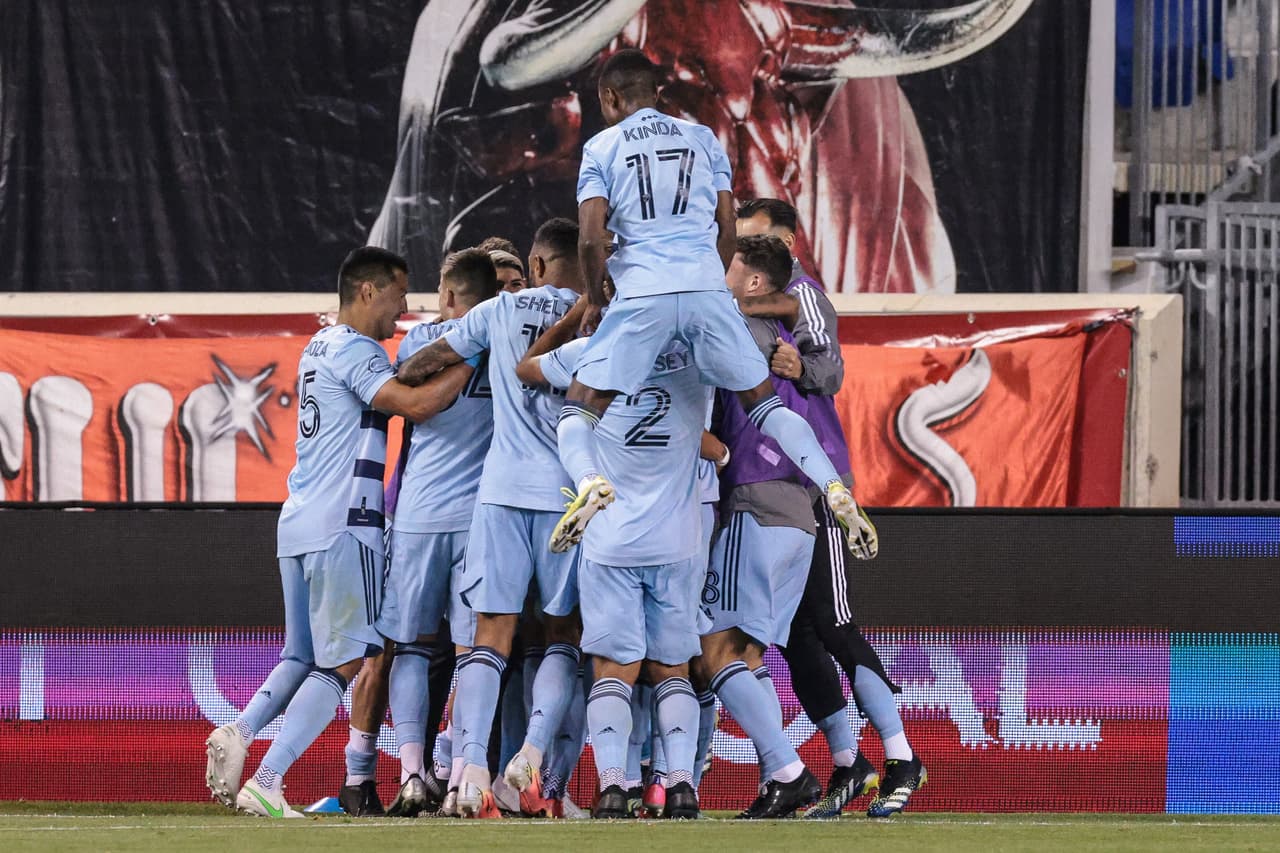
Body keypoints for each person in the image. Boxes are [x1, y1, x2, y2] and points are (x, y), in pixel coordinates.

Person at [551, 50, 876, 566]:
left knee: (578, 409)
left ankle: (590, 483)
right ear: (656, 93)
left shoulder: (601, 146)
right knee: (765, 404)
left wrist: (595, 298)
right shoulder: (703, 138)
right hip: (705, 287)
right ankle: (833, 486)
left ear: (609, 98)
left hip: (643, 294)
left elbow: (591, 239)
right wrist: (710, 286)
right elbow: (728, 228)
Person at [204, 246, 483, 818]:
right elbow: (419, 404)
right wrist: (476, 354)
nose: (404, 309)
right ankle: (269, 777)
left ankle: (238, 729)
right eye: (399, 294)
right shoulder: (356, 351)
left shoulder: (318, 344)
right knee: (348, 661)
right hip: (344, 525)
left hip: (298, 520)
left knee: (300, 654)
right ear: (368, 291)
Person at [738, 198, 926, 819]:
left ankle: (901, 755)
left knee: (834, 619)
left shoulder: (805, 291)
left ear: (788, 242)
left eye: (756, 240)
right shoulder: (743, 303)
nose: (742, 253)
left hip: (816, 483)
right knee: (793, 634)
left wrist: (804, 366)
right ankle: (850, 761)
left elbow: (832, 368)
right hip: (768, 484)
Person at [395, 218, 588, 819]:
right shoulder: (604, 317)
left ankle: (470, 771)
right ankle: (529, 757)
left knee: (489, 636)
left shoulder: (497, 313)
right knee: (562, 637)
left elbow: (424, 361)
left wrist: (436, 371)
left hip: (501, 494)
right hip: (568, 497)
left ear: (534, 264)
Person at [514, 298, 708, 820]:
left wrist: (580, 314)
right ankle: (682, 785)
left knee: (611, 671)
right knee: (674, 670)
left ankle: (612, 787)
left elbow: (527, 368)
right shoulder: (698, 349)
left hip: (612, 535)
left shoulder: (592, 350)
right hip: (679, 536)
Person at [693, 234, 826, 819]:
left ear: (752, 282)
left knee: (711, 649)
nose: (722, 275)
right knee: (746, 655)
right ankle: (781, 775)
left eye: (731, 267)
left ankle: (790, 768)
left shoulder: (738, 331)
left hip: (755, 501)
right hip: (798, 509)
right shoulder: (786, 334)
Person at [376, 248, 501, 817]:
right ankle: (463, 775)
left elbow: (409, 380)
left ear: (450, 295)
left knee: (410, 645)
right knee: (473, 649)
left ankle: (410, 772)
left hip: (420, 516)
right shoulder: (505, 338)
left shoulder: (417, 340)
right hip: (482, 520)